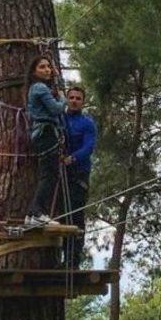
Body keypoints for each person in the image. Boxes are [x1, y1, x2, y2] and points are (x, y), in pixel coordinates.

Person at [24, 54, 67, 227]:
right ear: (34, 71)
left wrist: (57, 77)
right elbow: (57, 109)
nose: (47, 69)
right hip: (46, 133)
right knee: (49, 175)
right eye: (42, 67)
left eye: (49, 66)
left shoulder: (38, 88)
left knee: (48, 174)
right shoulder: (40, 88)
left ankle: (32, 215)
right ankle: (37, 213)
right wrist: (63, 98)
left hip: (44, 133)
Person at [62, 85, 97, 267]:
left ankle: (72, 261)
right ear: (67, 99)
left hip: (79, 173)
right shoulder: (60, 119)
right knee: (59, 216)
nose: (74, 101)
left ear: (83, 102)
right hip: (61, 173)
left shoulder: (87, 123)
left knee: (75, 216)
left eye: (78, 98)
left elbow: (89, 147)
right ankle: (60, 257)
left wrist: (72, 158)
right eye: (72, 97)